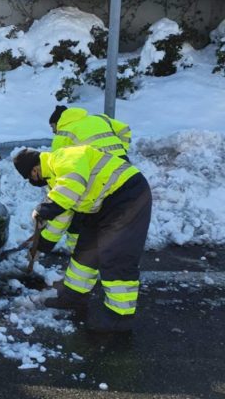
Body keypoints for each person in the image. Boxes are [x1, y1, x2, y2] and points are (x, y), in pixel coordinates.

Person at [12, 145, 152, 332]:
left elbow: (72, 185)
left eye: (31, 177)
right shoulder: (56, 179)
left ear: (34, 170)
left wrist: (45, 208)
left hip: (127, 196)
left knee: (117, 256)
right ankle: (73, 297)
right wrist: (42, 244)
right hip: (102, 204)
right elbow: (62, 213)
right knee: (86, 251)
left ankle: (120, 316)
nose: (33, 180)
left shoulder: (63, 158)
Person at [48, 105, 133, 253]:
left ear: (58, 122)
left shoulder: (62, 135)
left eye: (52, 126)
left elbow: (61, 171)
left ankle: (79, 251)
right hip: (122, 168)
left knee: (81, 210)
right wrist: (121, 150)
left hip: (98, 174)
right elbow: (125, 129)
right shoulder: (100, 118)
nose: (52, 130)